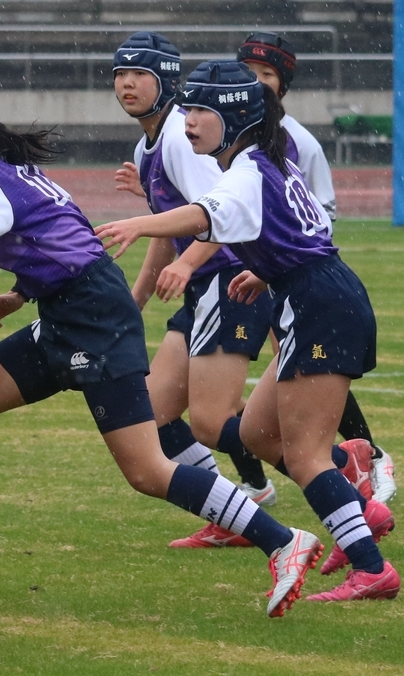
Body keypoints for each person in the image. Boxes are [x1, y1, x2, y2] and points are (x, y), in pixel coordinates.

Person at [0, 75, 324, 618]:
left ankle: (284, 541)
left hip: (93, 320)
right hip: (69, 312)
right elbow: (62, 237)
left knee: (148, 471)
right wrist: (22, 293)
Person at [96, 61, 399, 604]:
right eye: (187, 108)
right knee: (257, 433)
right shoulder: (263, 160)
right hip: (314, 295)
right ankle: (357, 511)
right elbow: (302, 228)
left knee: (305, 455)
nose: (188, 120)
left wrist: (140, 223)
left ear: (234, 118)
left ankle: (371, 569)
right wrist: (266, 269)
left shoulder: (246, 172)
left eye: (200, 110)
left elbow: (200, 216)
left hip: (318, 305)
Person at [109, 31, 283, 548]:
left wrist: (187, 263)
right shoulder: (150, 146)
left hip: (229, 282)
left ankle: (336, 468)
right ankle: (234, 511)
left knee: (212, 421)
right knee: (154, 413)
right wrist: (136, 299)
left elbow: (215, 215)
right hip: (204, 287)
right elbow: (169, 229)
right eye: (120, 74)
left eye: (139, 74)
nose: (127, 84)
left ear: (166, 82)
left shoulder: (179, 140)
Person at [236, 31, 396, 504]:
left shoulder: (297, 141)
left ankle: (366, 456)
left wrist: (276, 258)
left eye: (266, 75)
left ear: (283, 85)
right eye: (247, 74)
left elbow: (320, 210)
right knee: (301, 373)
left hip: (293, 276)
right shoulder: (233, 136)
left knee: (311, 369)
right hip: (264, 274)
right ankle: (343, 468)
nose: (256, 83)